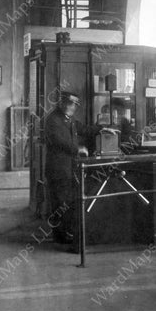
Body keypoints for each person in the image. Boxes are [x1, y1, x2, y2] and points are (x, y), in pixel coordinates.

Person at [44, 91, 114, 244]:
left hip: (67, 168)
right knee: (60, 203)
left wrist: (102, 129)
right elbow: (59, 141)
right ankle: (61, 236)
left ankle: (64, 234)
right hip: (58, 169)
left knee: (66, 202)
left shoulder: (69, 119)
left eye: (75, 105)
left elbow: (84, 129)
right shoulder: (53, 120)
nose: (73, 107)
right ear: (62, 103)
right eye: (71, 104)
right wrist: (78, 149)